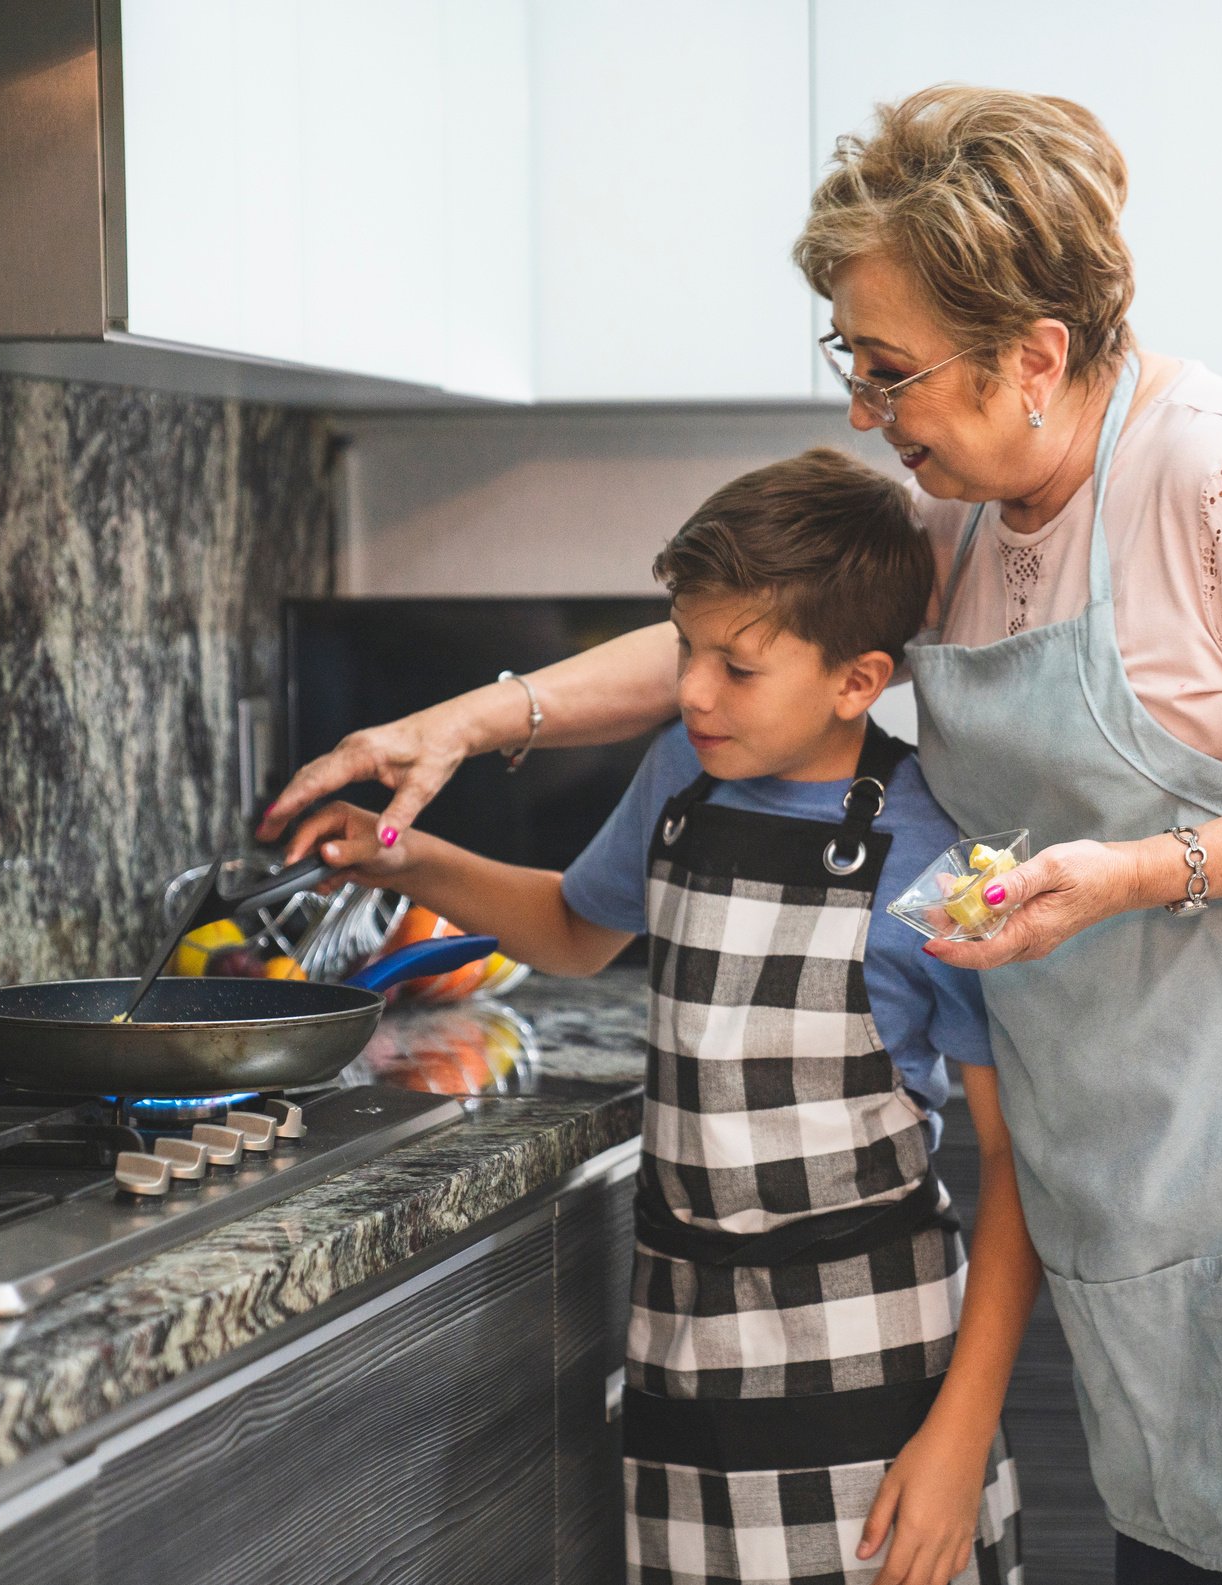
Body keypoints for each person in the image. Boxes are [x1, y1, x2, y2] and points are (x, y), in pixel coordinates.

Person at [266, 87, 1222, 1583]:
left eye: (890, 371)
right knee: (1194, 1539)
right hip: (1163, 1095)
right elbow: (745, 641)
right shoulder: (962, 515)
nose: (864, 413)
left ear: (1033, 358)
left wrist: (1138, 870)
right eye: (851, 363)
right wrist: (473, 723)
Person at [290, 448, 1029, 1585]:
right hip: (685, 1354)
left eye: (737, 665)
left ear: (856, 678)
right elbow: (574, 929)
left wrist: (960, 1435)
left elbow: (1019, 1169)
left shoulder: (932, 852)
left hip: (879, 1371)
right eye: (685, 647)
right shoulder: (678, 782)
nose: (691, 689)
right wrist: (404, 856)